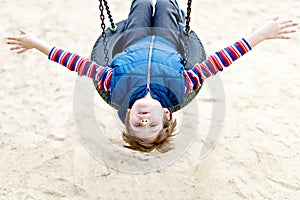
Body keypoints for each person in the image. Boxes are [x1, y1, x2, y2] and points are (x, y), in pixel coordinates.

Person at [6, 0, 298, 153]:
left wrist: (36, 44)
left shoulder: (114, 85)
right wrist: (260, 36)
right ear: (167, 115)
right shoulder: (182, 87)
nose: (144, 120)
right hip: (170, 39)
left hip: (133, 37)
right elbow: (222, 60)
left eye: (138, 124)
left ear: (129, 112)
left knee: (144, 3)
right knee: (168, 4)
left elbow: (76, 63)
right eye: (152, 124)